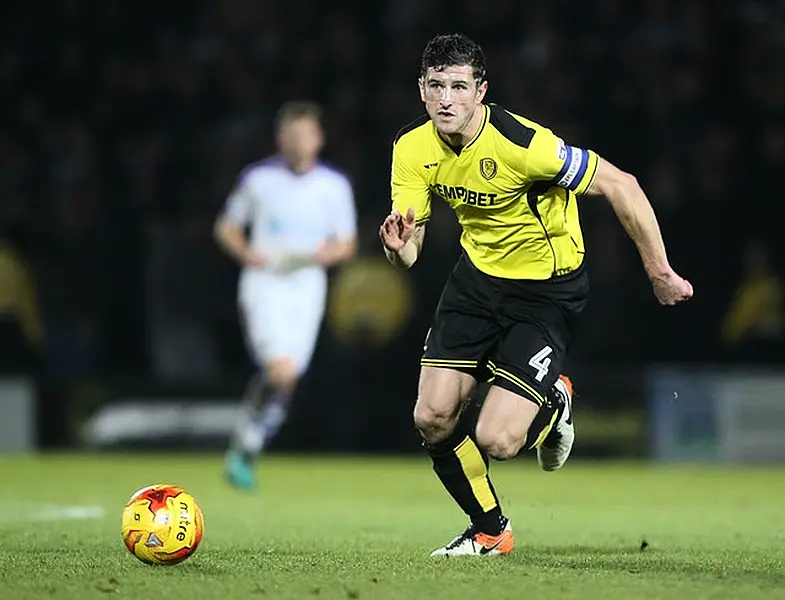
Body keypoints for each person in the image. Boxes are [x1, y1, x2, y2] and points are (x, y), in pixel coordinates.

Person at [379, 33, 693, 556]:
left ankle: (555, 400)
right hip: (476, 281)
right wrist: (397, 248)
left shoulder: (526, 145)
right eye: (437, 86)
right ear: (421, 90)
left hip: (546, 291)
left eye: (459, 86)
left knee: (498, 441)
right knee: (430, 417)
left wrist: (659, 270)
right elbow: (411, 251)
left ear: (481, 91)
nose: (447, 99)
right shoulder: (411, 149)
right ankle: (490, 531)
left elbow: (622, 185)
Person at [215, 101, 358, 489]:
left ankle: (244, 447)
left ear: (319, 139)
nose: (300, 143)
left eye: (307, 135)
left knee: (287, 379)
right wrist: (247, 253)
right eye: (292, 135)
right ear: (281, 139)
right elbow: (226, 227)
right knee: (280, 370)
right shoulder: (258, 179)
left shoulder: (334, 186)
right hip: (265, 283)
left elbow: (347, 243)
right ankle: (246, 447)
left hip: (307, 286)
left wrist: (318, 254)